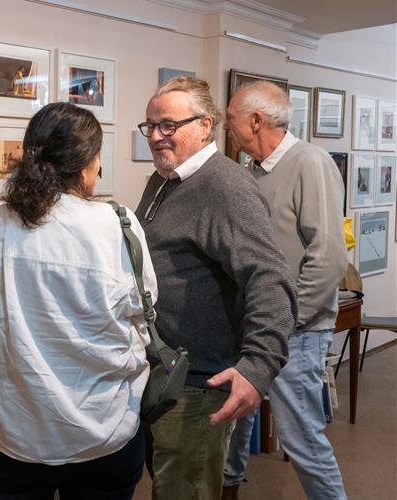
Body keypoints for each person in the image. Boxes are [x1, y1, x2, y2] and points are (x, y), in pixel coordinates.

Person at [0, 101, 155, 498]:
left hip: (21, 432)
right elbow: (143, 322)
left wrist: (20, 358)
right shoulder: (121, 224)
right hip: (108, 429)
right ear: (87, 164)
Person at [135, 76, 297, 500]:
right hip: (164, 374)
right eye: (150, 126)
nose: (156, 136)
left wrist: (258, 367)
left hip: (200, 385)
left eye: (168, 125)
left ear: (205, 126)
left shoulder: (225, 186)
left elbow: (269, 277)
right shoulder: (165, 179)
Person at [222, 80, 348, 500]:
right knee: (235, 427)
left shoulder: (309, 161)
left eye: (231, 120)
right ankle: (228, 489)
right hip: (254, 327)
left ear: (256, 120)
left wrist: (282, 324)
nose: (228, 129)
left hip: (295, 333)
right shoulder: (250, 172)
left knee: (303, 441)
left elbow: (329, 257)